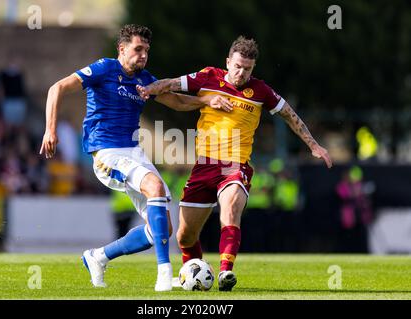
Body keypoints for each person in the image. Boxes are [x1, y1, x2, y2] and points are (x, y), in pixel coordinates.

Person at [39, 24, 232, 291]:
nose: (143, 55)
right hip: (106, 152)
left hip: (133, 152)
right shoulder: (104, 68)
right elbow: (56, 88)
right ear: (122, 49)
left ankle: (98, 257)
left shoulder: (145, 81)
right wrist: (50, 130)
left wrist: (207, 101)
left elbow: (176, 101)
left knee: (162, 229)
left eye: (146, 51)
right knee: (154, 186)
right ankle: (164, 275)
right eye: (138, 49)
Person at [137, 36, 332, 291]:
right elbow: (171, 84)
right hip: (204, 166)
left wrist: (313, 145)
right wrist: (147, 90)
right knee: (185, 236)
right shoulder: (207, 78)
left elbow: (289, 114)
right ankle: (194, 276)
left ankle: (225, 272)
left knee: (230, 209)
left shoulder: (260, 91)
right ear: (228, 62)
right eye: (238, 66)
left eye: (248, 68)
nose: (241, 73)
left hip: (235, 166)